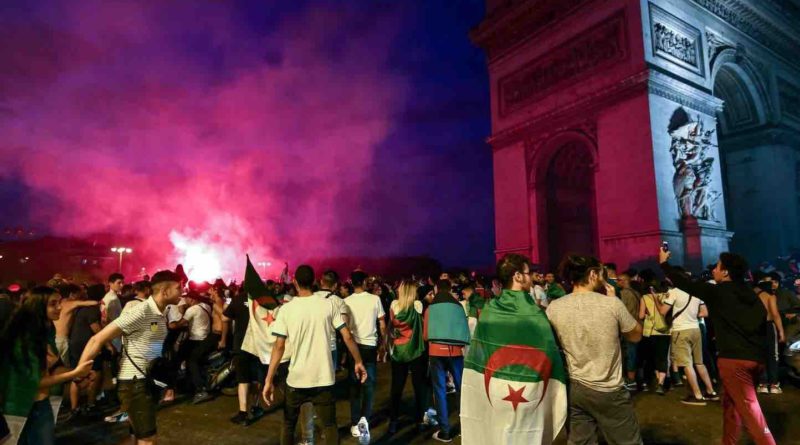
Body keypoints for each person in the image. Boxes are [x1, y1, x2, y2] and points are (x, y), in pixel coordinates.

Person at [659, 248, 775, 445]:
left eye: (717, 267)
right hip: (755, 359)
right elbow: (762, 321)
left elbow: (684, 283)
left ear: (726, 272)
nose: (713, 270)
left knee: (751, 411)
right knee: (731, 406)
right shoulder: (750, 293)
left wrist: (664, 264)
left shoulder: (717, 292)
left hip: (734, 362)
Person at [262, 265, 368, 445]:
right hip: (323, 379)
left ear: (295, 282)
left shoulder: (287, 309)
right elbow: (347, 336)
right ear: (314, 282)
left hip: (296, 379)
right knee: (329, 425)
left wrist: (268, 379)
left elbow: (279, 347)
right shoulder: (328, 305)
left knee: (288, 424)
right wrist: (358, 361)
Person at [546, 255, 643, 445]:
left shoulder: (554, 307)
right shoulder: (611, 304)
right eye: (601, 273)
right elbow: (635, 335)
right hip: (609, 388)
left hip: (575, 388)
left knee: (581, 441)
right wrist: (615, 302)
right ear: (592, 274)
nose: (604, 277)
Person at [78, 270, 182, 445]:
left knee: (136, 435)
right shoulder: (141, 311)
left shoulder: (158, 312)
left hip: (145, 380)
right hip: (135, 383)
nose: (182, 291)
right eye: (179, 288)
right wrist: (80, 372)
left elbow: (150, 335)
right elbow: (97, 338)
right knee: (147, 439)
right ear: (165, 292)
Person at [0, 286, 93, 445]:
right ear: (38, 306)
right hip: (17, 407)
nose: (60, 307)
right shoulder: (23, 337)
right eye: (53, 304)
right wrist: (74, 373)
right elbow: (34, 382)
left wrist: (78, 375)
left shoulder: (46, 329)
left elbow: (53, 366)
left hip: (41, 405)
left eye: (59, 302)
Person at [424, 279, 470, 442]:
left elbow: (426, 335)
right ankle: (465, 428)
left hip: (436, 352)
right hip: (456, 352)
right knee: (461, 389)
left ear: (436, 289)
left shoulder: (430, 308)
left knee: (440, 390)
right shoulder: (458, 307)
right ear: (450, 289)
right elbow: (464, 331)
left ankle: (445, 431)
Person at [655, 284, 718, 405]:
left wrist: (657, 301)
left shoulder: (675, 292)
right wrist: (692, 315)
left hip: (681, 331)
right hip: (695, 329)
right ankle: (711, 392)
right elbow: (704, 313)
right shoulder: (697, 292)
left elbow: (663, 311)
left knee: (686, 364)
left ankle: (697, 395)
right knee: (699, 363)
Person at [343, 270, 386, 440]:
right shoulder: (375, 299)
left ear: (352, 283)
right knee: (369, 384)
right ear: (364, 282)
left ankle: (355, 422)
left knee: (354, 385)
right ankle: (364, 418)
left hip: (353, 346)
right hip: (369, 345)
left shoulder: (346, 301)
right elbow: (382, 324)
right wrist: (383, 344)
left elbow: (345, 327)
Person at [387, 281, 428, 435]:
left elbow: (391, 326)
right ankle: (419, 420)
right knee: (418, 386)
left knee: (396, 387)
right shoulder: (417, 305)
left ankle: (393, 420)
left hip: (398, 349)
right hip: (415, 349)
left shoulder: (393, 305)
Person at [753, 276, 785, 395]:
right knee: (772, 355)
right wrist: (781, 332)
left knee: (760, 355)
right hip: (769, 326)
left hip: (756, 328)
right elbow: (775, 314)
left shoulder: (753, 295)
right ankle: (774, 384)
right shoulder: (770, 296)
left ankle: (762, 384)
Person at [638, 285, 671, 394]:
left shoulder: (645, 297)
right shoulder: (667, 296)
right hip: (665, 331)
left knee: (652, 357)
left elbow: (641, 316)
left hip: (650, 331)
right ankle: (661, 383)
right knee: (663, 357)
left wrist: (647, 315)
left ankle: (652, 381)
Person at [618, 272, 641, 388]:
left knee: (629, 354)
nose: (617, 282)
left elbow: (622, 312)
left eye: (619, 280)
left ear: (624, 281)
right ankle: (637, 378)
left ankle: (631, 380)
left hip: (628, 328)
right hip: (638, 326)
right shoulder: (637, 293)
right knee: (635, 353)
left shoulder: (623, 294)